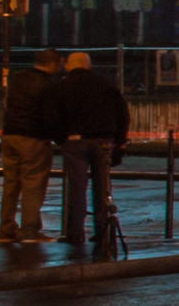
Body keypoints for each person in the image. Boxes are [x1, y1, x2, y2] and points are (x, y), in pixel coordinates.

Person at [38, 51, 129, 250]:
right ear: (89, 66)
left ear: (68, 66)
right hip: (103, 140)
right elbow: (122, 112)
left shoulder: (61, 86)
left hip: (75, 141)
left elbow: (50, 117)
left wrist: (62, 138)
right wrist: (119, 141)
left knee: (77, 188)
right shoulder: (105, 84)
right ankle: (102, 231)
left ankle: (76, 233)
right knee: (102, 188)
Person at [0, 49, 63, 242]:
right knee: (32, 184)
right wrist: (58, 138)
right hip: (32, 138)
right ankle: (29, 230)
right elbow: (49, 117)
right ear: (54, 63)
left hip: (10, 135)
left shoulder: (18, 79)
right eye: (60, 64)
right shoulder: (47, 86)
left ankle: (5, 230)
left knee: (11, 184)